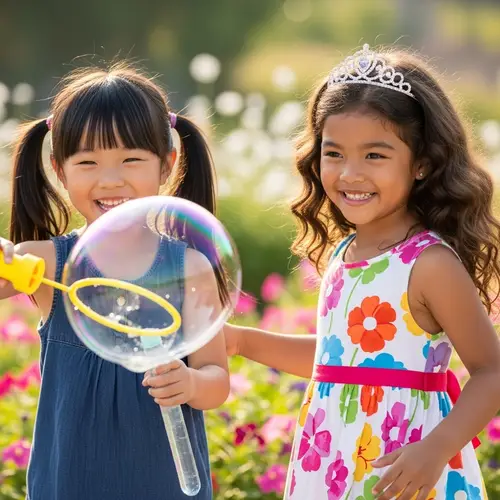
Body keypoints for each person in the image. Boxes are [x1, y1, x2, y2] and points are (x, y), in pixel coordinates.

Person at [225, 44, 500, 499]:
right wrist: (241, 341)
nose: (350, 173)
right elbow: (339, 363)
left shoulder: (428, 264)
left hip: (407, 472)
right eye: (334, 154)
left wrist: (436, 449)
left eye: (375, 155)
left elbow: (491, 372)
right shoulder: (345, 251)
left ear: (422, 164)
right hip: (333, 466)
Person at [0, 63, 229, 500]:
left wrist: (193, 384)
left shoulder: (191, 268)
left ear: (167, 163)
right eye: (87, 162)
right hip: (68, 482)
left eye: (131, 159)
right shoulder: (47, 263)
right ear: (58, 169)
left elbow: (216, 378)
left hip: (164, 484)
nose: (110, 179)